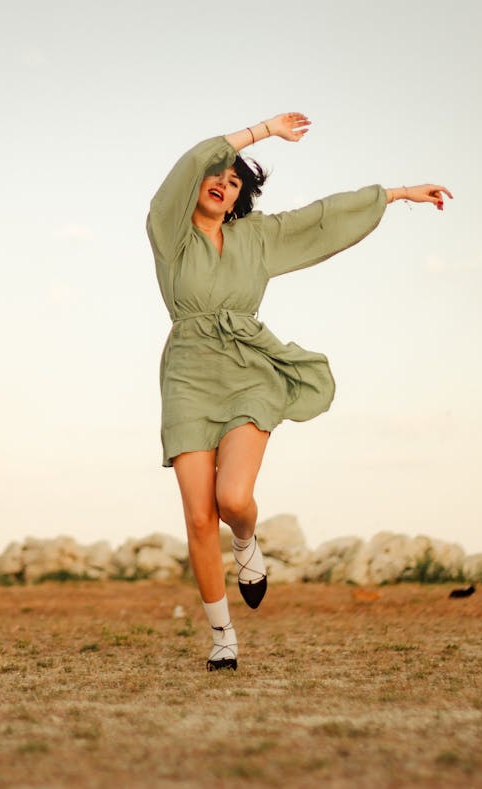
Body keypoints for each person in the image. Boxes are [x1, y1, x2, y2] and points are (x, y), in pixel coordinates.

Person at [146, 112, 452, 671]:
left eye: (235, 181)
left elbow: (320, 219)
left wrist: (401, 193)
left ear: (241, 197)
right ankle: (222, 637)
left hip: (248, 365)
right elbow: (192, 161)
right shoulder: (170, 233)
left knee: (232, 501)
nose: (222, 182)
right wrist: (262, 130)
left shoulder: (256, 237)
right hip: (189, 373)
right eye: (217, 175)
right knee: (196, 518)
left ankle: (245, 542)